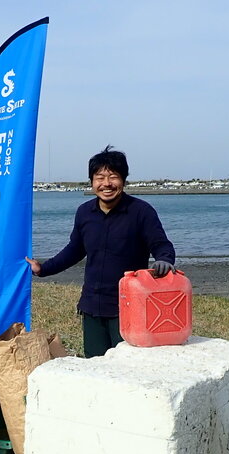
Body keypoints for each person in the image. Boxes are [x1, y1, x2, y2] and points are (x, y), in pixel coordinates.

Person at [26, 146, 175, 357]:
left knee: (129, 364)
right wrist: (43, 269)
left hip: (129, 305)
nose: (106, 184)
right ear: (92, 182)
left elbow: (161, 244)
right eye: (100, 178)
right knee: (96, 365)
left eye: (113, 177)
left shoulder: (141, 211)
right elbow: (74, 250)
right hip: (92, 305)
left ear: (123, 180)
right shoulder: (85, 212)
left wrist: (165, 260)